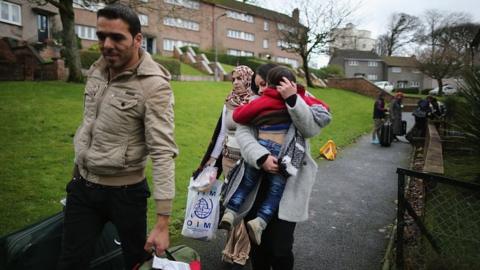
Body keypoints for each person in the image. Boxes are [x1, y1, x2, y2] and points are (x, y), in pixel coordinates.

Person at [57, 4, 178, 270]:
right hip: (83, 187)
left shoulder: (154, 85)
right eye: (101, 36)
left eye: (117, 37)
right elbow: (89, 125)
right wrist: (77, 170)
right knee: (70, 263)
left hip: (126, 195)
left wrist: (163, 221)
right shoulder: (97, 71)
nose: (107, 44)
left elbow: (162, 151)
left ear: (137, 39)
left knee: (136, 263)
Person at [223, 67, 331, 270]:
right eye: (258, 86)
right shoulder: (256, 103)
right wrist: (261, 157)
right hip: (256, 181)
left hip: (288, 182)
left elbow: (310, 128)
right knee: (258, 247)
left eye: (264, 84)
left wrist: (292, 100)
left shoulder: (301, 98)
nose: (261, 90)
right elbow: (243, 132)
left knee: (281, 248)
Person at [193, 65, 254, 268]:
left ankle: (241, 251)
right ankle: (229, 248)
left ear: (248, 79)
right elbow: (221, 134)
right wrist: (211, 162)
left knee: (241, 208)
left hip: (245, 163)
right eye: (233, 78)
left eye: (239, 78)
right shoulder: (228, 102)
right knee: (229, 206)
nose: (235, 82)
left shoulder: (255, 102)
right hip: (228, 161)